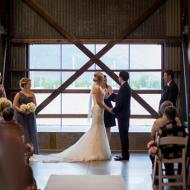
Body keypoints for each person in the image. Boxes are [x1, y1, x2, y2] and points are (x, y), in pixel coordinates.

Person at [31, 72, 111, 162]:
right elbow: (99, 102)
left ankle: (98, 150)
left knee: (99, 128)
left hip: (100, 110)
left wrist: (107, 95)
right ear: (100, 79)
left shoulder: (98, 87)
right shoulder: (96, 87)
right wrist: (108, 108)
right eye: (103, 79)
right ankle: (95, 152)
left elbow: (102, 98)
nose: (104, 80)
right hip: (98, 109)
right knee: (96, 128)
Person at [13, 78, 39, 154]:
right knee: (23, 132)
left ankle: (33, 151)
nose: (30, 85)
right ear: (24, 85)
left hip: (30, 115)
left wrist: (31, 109)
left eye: (30, 84)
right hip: (21, 115)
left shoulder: (32, 94)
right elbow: (14, 105)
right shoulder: (18, 94)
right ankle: (21, 152)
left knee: (31, 132)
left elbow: (35, 104)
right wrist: (21, 110)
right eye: (29, 84)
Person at [112, 71, 131, 161]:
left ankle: (125, 155)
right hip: (124, 115)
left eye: (119, 77)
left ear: (121, 77)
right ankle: (124, 154)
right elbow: (119, 99)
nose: (118, 78)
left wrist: (113, 110)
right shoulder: (125, 87)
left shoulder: (124, 88)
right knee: (124, 136)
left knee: (123, 136)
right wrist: (111, 95)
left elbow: (120, 103)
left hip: (123, 115)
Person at [103, 75, 116, 142]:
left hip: (109, 106)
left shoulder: (109, 87)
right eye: (104, 80)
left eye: (106, 80)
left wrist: (113, 96)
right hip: (102, 107)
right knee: (102, 128)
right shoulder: (98, 88)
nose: (105, 81)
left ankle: (108, 145)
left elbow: (113, 99)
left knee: (108, 128)